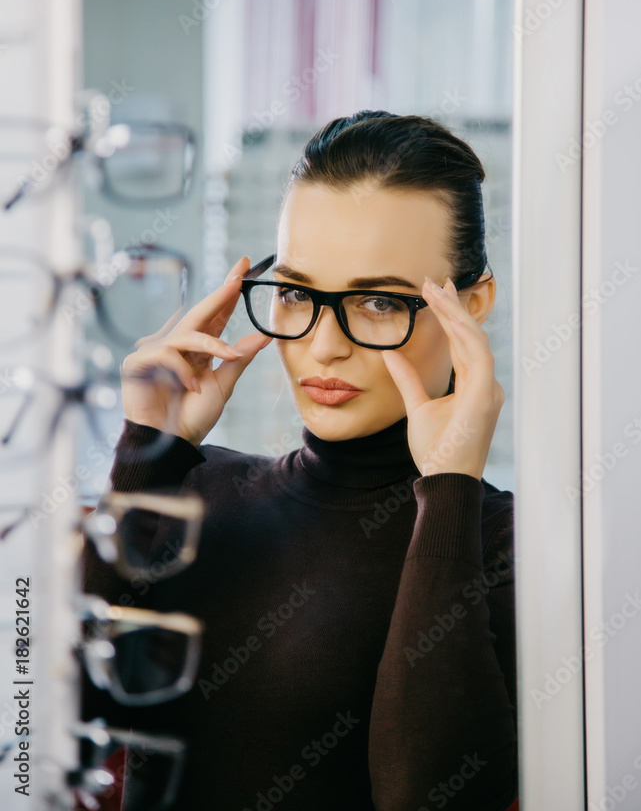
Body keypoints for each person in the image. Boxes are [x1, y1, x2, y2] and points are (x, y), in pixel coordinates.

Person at [80, 111, 518, 811]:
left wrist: (447, 489)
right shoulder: (192, 492)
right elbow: (40, 738)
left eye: (378, 301)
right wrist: (147, 455)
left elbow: (427, 794)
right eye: (295, 294)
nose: (322, 346)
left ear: (472, 305)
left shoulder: (498, 542)